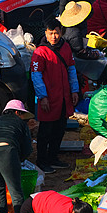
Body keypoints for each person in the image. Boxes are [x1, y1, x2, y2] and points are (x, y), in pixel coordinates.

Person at [30, 18, 79, 172]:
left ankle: (53, 157)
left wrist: (74, 90)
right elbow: (36, 76)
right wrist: (42, 97)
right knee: (45, 131)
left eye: (56, 33)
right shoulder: (40, 52)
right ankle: (42, 160)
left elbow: (71, 69)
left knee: (59, 129)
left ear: (61, 32)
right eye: (51, 33)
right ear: (46, 33)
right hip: (49, 99)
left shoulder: (66, 47)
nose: (54, 37)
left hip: (64, 98)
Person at [0, 100, 33, 213]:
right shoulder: (20, 123)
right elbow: (27, 148)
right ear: (17, 112)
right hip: (6, 152)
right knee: (16, 193)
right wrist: (18, 160)